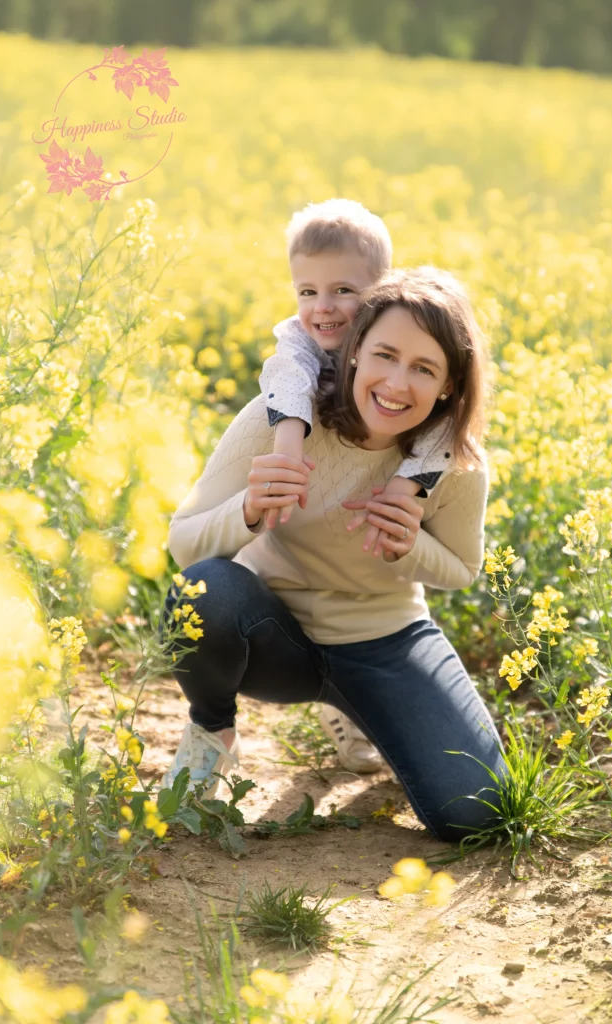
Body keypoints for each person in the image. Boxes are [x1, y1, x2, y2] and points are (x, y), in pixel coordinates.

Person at [161, 267, 509, 842]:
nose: (397, 383)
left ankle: (361, 709)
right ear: (352, 352)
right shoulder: (279, 422)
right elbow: (183, 542)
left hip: (387, 643)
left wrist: (408, 545)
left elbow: (462, 569)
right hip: (276, 636)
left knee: (476, 812)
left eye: (424, 369)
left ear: (449, 385)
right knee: (205, 592)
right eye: (385, 355)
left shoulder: (457, 465)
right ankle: (212, 734)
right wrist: (248, 509)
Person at [259, 199, 458, 773]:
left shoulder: (405, 338)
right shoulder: (301, 342)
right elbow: (288, 377)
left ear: (381, 292)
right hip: (310, 502)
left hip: (372, 545)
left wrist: (410, 487)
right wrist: (289, 441)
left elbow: (448, 417)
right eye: (306, 291)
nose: (322, 308)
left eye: (343, 291)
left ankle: (358, 697)